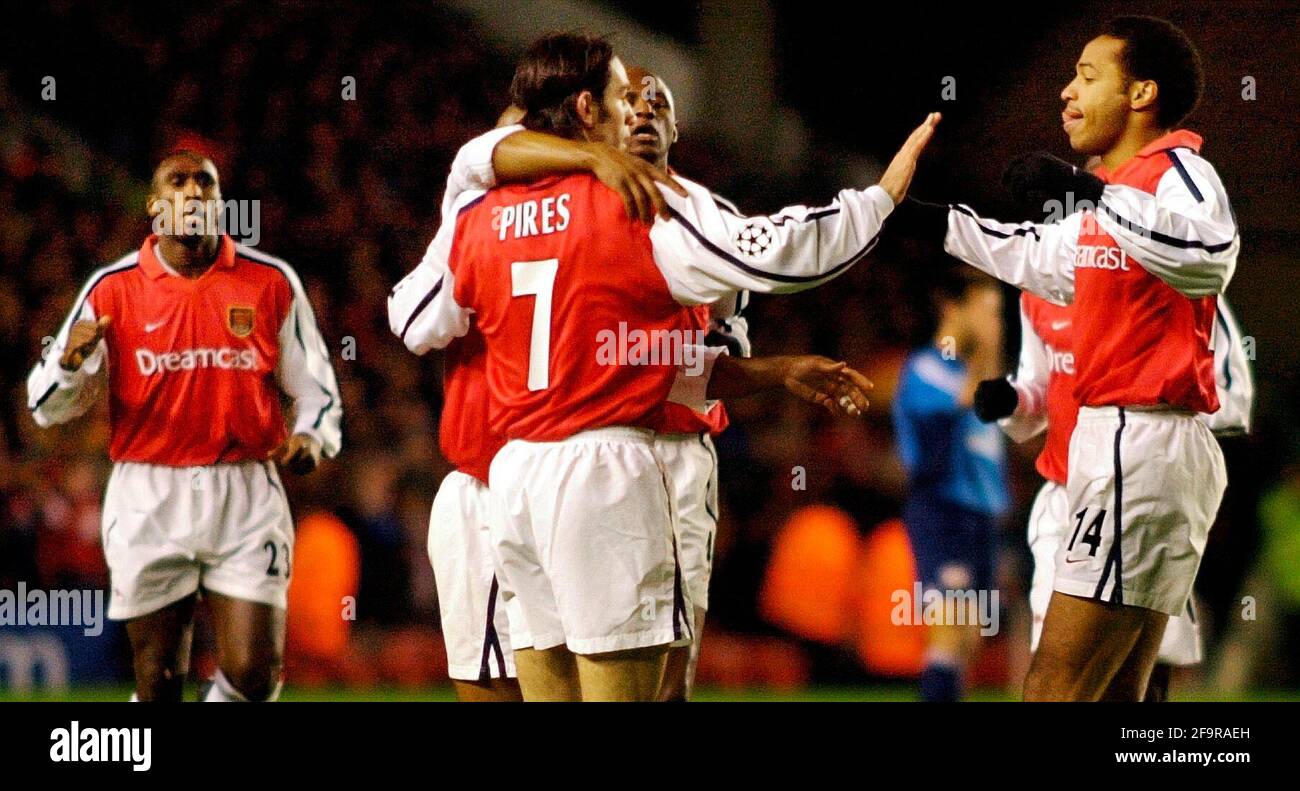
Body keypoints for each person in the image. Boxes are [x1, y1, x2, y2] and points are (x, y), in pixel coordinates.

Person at [399, 31, 936, 701]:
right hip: (610, 466)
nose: (638, 110)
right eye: (625, 96)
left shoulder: (476, 212)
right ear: (590, 110)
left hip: (516, 473)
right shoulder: (644, 200)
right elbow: (778, 253)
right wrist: (876, 201)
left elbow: (413, 320)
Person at [901, 16, 1238, 700]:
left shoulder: (1178, 171)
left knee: (1055, 685)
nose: (1065, 91)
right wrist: (902, 211)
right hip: (1125, 448)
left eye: (1087, 76)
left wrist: (1094, 194)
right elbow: (1030, 252)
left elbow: (1210, 254)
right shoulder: (1109, 207)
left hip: (1138, 443)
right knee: (1118, 694)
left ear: (1142, 94)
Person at [26, 150, 342, 702]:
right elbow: (44, 406)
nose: (193, 191)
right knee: (159, 684)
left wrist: (314, 436)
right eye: (178, 181)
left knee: (255, 674)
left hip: (245, 493)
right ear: (155, 205)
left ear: (220, 203)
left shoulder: (270, 282)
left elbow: (317, 391)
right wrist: (68, 364)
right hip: (149, 493)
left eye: (206, 183)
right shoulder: (112, 288)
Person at [975, 292, 1253, 700]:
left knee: (1136, 680)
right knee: (1054, 677)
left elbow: (1233, 394)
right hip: (1069, 502)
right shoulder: (1039, 288)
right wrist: (1013, 401)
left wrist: (1150, 410)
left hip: (1145, 492)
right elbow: (1042, 387)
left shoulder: (1179, 273)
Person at [892, 269, 1008, 702]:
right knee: (950, 626)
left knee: (971, 637)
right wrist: (988, 351)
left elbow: (994, 417)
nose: (992, 322)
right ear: (951, 307)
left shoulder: (972, 369)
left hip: (980, 514)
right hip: (942, 508)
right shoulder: (926, 367)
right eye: (985, 309)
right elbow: (964, 404)